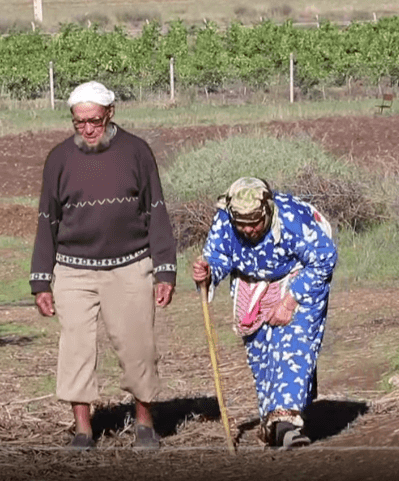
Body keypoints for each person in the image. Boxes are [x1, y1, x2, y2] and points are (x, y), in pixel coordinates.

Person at [30, 81, 178, 451]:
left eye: (93, 120)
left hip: (130, 266)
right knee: (76, 349)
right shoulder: (59, 159)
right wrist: (41, 281)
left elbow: (156, 211)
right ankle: (83, 430)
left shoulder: (137, 153)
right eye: (78, 122)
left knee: (137, 347)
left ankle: (145, 423)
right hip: (72, 270)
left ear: (110, 113)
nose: (87, 129)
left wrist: (165, 269)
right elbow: (47, 219)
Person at [190, 177, 337, 449]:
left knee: (293, 342)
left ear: (268, 210)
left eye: (255, 223)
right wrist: (208, 272)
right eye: (242, 224)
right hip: (251, 285)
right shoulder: (224, 221)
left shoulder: (292, 217)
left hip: (299, 278)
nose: (248, 230)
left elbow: (324, 257)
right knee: (263, 356)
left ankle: (287, 423)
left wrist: (289, 302)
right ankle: (273, 421)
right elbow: (218, 257)